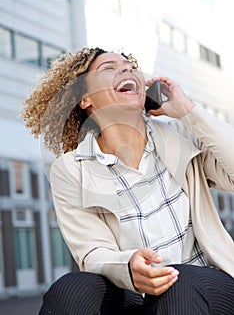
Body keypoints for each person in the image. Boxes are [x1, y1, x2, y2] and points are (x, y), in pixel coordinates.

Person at [21, 47, 234, 314]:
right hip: (136, 295)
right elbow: (92, 251)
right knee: (71, 289)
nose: (127, 69)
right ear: (85, 99)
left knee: (178, 284)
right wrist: (128, 266)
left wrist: (187, 111)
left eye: (131, 66)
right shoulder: (71, 169)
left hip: (208, 286)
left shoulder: (180, 135)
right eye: (109, 68)